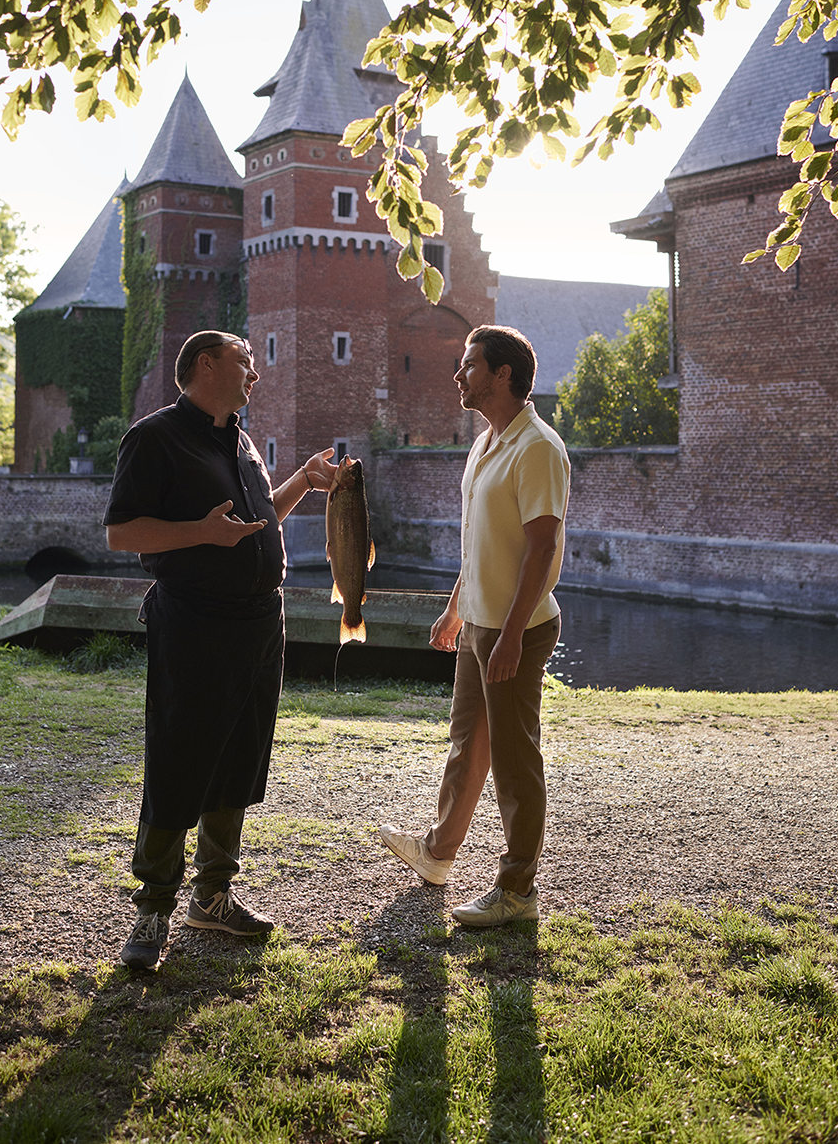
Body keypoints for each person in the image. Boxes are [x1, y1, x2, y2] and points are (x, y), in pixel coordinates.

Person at [103, 330, 337, 969]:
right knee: (180, 757)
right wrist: (197, 533)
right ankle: (153, 908)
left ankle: (213, 896)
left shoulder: (240, 440)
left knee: (238, 756)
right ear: (206, 365)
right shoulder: (155, 438)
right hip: (194, 627)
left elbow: (253, 527)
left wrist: (302, 483)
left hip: (260, 627)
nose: (255, 373)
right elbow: (121, 533)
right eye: (245, 361)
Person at [379, 325, 570, 926]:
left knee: (514, 761)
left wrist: (512, 635)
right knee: (469, 746)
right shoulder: (486, 443)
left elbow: (541, 550)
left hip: (518, 626)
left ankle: (517, 891)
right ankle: (438, 855)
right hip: (480, 623)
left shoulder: (537, 447)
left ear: (502, 375)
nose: (458, 375)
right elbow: (481, 544)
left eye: (469, 365)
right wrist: (456, 607)